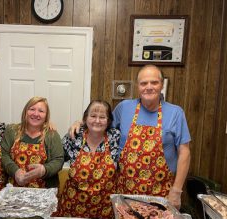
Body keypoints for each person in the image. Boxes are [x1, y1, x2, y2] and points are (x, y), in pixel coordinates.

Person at [71, 65, 191, 209]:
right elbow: (101, 127)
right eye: (143, 83)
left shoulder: (175, 113)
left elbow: (184, 152)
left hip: (161, 193)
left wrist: (176, 191)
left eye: (154, 82)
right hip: (125, 192)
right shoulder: (124, 107)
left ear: (161, 85)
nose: (149, 87)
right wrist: (81, 123)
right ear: (137, 86)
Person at [55, 100, 120, 219]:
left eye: (102, 117)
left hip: (104, 209)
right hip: (73, 206)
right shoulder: (74, 136)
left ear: (109, 121)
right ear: (85, 118)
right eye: (93, 116)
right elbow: (56, 159)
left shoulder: (115, 137)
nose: (97, 121)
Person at [1, 96, 64, 189]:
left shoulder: (52, 135)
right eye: (32, 109)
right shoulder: (12, 130)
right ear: (25, 111)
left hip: (44, 191)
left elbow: (58, 160)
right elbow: (3, 154)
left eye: (41, 111)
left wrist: (44, 170)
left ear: (46, 115)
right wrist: (15, 171)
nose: (36, 114)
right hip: (14, 189)